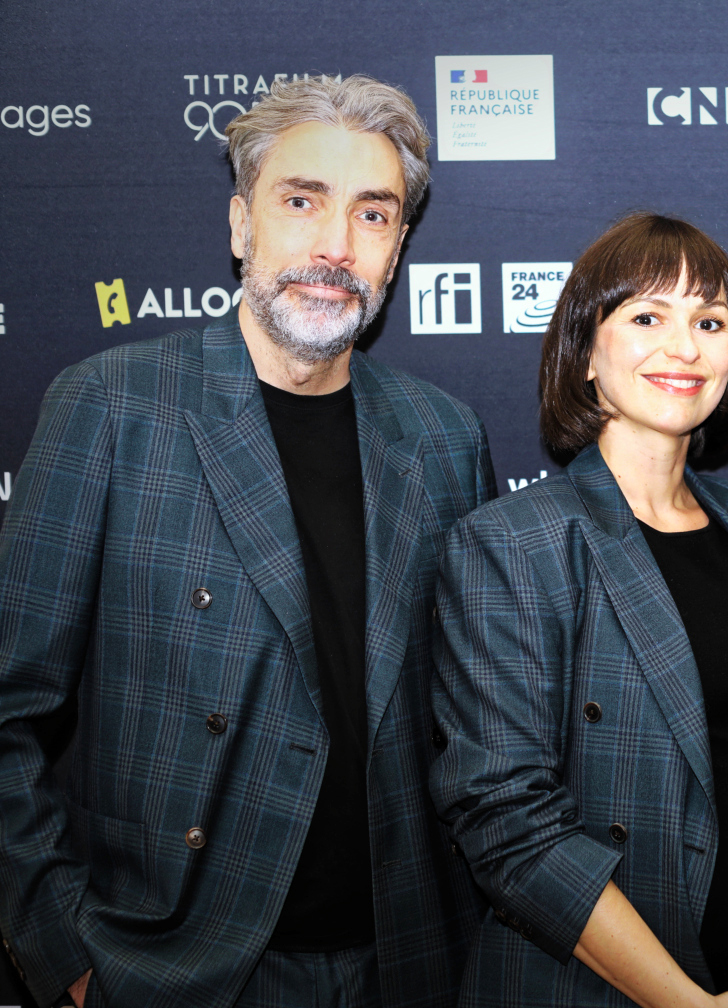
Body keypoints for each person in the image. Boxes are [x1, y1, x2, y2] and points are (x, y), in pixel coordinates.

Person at [0, 76, 495, 1008]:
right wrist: (63, 950)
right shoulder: (113, 406)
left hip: (413, 964)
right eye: (301, 201)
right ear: (240, 225)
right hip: (174, 966)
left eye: (373, 214)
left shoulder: (443, 436)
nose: (334, 246)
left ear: (396, 249)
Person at [430, 213, 728, 1008]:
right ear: (586, 357)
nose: (684, 348)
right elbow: (508, 819)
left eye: (710, 322)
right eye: (647, 318)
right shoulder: (515, 543)